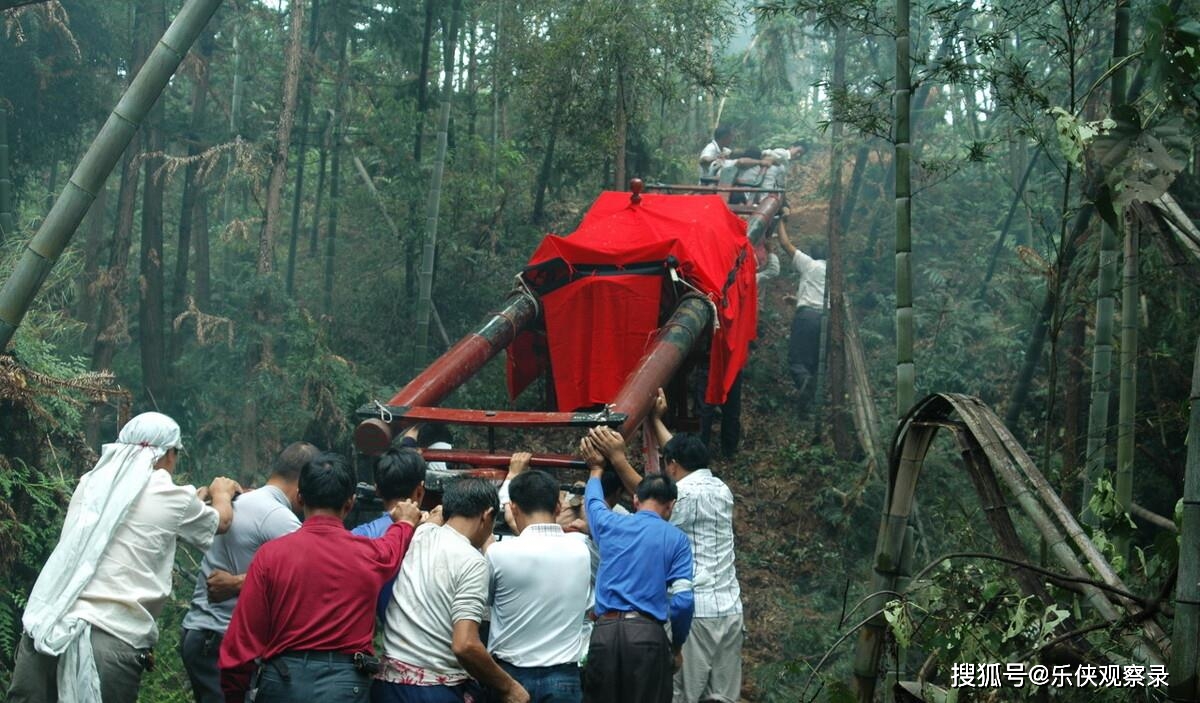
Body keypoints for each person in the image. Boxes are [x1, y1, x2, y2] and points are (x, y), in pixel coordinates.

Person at [9, 412, 240, 703]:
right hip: (112, 638)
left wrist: (192, 499)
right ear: (168, 454)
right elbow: (221, 522)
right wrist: (222, 492)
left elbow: (133, 516)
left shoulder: (90, 484)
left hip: (48, 629)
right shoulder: (171, 496)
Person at [218, 452, 422, 703]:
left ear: (300, 498)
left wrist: (234, 695)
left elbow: (242, 640)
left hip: (282, 682)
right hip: (346, 686)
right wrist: (405, 524)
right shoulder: (370, 553)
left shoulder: (269, 556)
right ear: (350, 503)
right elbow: (392, 548)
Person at [180, 441, 320, 703]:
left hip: (202, 634)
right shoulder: (277, 516)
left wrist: (236, 582)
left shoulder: (241, 500)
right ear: (303, 482)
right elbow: (312, 572)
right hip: (221, 638)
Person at [374, 477, 529, 703]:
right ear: (486, 516)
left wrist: (438, 514)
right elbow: (465, 644)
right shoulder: (473, 562)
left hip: (387, 686)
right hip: (432, 692)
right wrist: (509, 687)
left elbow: (433, 520)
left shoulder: (421, 535)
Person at [579, 435, 694, 703]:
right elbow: (683, 601)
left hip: (604, 635)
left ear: (635, 500)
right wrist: (676, 646)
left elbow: (593, 503)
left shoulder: (610, 525)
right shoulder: (676, 540)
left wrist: (595, 470)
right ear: (671, 506)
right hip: (647, 638)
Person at [647, 393, 745, 703]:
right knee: (723, 697)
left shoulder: (683, 496)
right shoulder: (721, 488)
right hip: (730, 609)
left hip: (697, 614)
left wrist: (619, 461)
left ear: (672, 466)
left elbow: (648, 501)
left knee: (686, 696)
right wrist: (656, 420)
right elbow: (677, 454)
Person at [487, 455, 591, 702]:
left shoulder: (499, 553)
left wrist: (511, 476)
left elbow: (484, 602)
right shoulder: (582, 550)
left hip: (508, 677)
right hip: (564, 677)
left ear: (513, 508)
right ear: (558, 506)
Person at [777, 223, 826, 412]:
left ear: (813, 254)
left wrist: (781, 220)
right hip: (826, 320)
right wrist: (797, 299)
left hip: (807, 318)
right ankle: (811, 406)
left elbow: (785, 244)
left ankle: (804, 384)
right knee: (814, 361)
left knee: (797, 360)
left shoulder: (810, 265)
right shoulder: (833, 272)